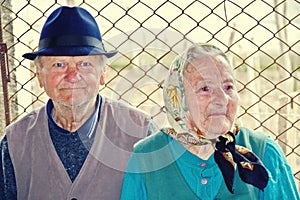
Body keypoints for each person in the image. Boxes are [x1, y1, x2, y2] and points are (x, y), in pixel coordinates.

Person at [0, 6, 157, 200]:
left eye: (85, 64)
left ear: (102, 75)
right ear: (39, 76)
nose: (73, 76)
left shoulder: (142, 133)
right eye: (59, 64)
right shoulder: (14, 143)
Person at [120, 44, 300, 200]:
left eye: (228, 87)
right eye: (205, 88)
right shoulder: (146, 157)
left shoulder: (265, 152)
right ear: (179, 99)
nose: (222, 99)